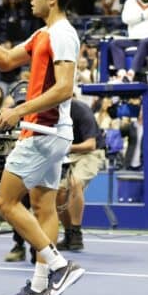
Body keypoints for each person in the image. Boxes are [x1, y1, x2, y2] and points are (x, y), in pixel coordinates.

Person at [0, 0, 84, 295]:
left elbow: (64, 89)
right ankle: (38, 286)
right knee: (42, 206)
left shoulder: (62, 34)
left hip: (42, 132)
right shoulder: (41, 35)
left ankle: (60, 266)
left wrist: (19, 111)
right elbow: (4, 60)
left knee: (5, 203)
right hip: (51, 134)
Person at [57, 99, 106, 252]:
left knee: (75, 182)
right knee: (58, 192)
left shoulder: (81, 110)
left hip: (89, 153)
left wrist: (65, 147)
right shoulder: (50, 112)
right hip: (66, 154)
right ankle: (68, 234)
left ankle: (77, 232)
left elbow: (90, 144)